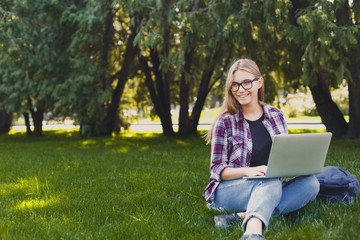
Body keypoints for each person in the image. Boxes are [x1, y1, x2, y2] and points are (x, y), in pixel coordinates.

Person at [203, 59, 320, 240]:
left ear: (259, 82)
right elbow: (217, 169)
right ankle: (252, 233)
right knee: (270, 182)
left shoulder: (277, 116)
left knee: (312, 184)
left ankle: (241, 216)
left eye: (246, 83)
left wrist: (294, 165)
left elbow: (285, 158)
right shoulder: (225, 121)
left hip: (269, 184)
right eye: (235, 85)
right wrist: (250, 171)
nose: (240, 90)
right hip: (228, 190)